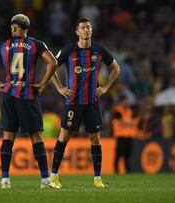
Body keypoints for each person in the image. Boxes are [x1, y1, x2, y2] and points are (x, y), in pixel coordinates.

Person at [0, 14, 59, 189]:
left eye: (12, 26)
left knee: (8, 137)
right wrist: (43, 84)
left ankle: (5, 180)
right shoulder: (36, 44)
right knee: (36, 137)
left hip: (8, 95)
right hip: (27, 94)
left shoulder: (4, 45)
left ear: (15, 28)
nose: (11, 29)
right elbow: (53, 63)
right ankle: (45, 179)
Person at [50, 17, 120, 188]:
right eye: (83, 27)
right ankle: (53, 177)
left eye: (88, 27)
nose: (86, 30)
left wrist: (105, 88)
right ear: (77, 31)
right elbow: (50, 66)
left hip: (92, 103)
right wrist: (60, 88)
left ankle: (97, 179)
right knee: (64, 136)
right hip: (73, 102)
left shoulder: (99, 50)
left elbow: (116, 68)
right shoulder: (68, 51)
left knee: (95, 139)